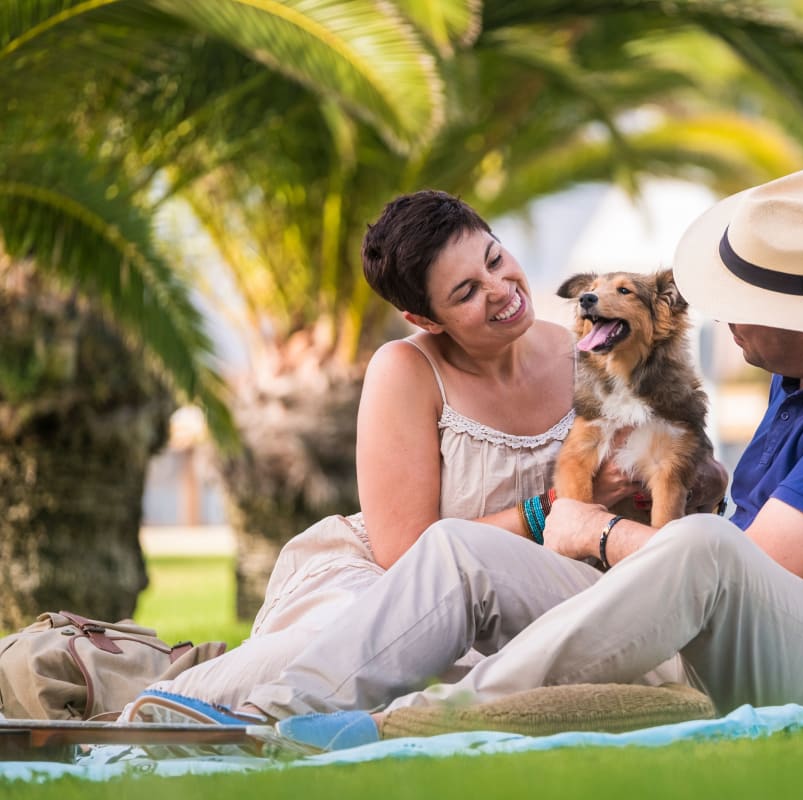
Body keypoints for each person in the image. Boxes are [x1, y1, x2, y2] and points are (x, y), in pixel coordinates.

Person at [133, 167, 803, 744]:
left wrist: (594, 534)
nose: (723, 322)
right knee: (460, 551)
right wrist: (564, 521)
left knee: (708, 549)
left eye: (745, 308)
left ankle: (448, 715)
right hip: (740, 628)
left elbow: (744, 571)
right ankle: (263, 715)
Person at [143, 190, 719, 710]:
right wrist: (549, 508)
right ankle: (162, 711)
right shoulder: (407, 371)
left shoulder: (594, 349)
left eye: (494, 260)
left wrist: (693, 477)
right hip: (392, 578)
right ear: (424, 318)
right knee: (354, 639)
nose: (500, 291)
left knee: (510, 675)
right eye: (466, 292)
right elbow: (406, 555)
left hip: (544, 583)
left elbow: (666, 445)